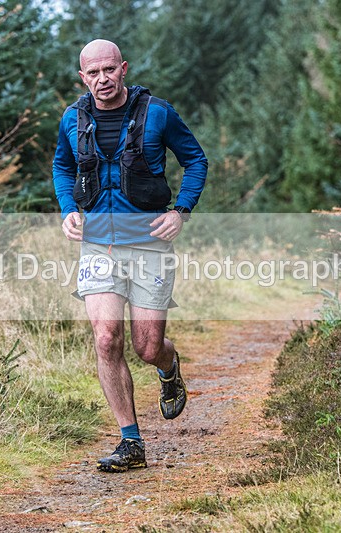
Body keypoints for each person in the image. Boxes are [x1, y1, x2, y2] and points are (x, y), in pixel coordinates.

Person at [52, 40, 208, 472]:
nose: (102, 79)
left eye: (109, 69)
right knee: (106, 338)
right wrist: (68, 209)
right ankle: (130, 441)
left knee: (147, 346)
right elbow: (62, 166)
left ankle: (168, 366)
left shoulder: (158, 113)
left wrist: (181, 211)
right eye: (93, 73)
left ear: (123, 68)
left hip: (150, 243)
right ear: (83, 77)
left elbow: (196, 161)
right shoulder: (72, 118)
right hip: (98, 244)